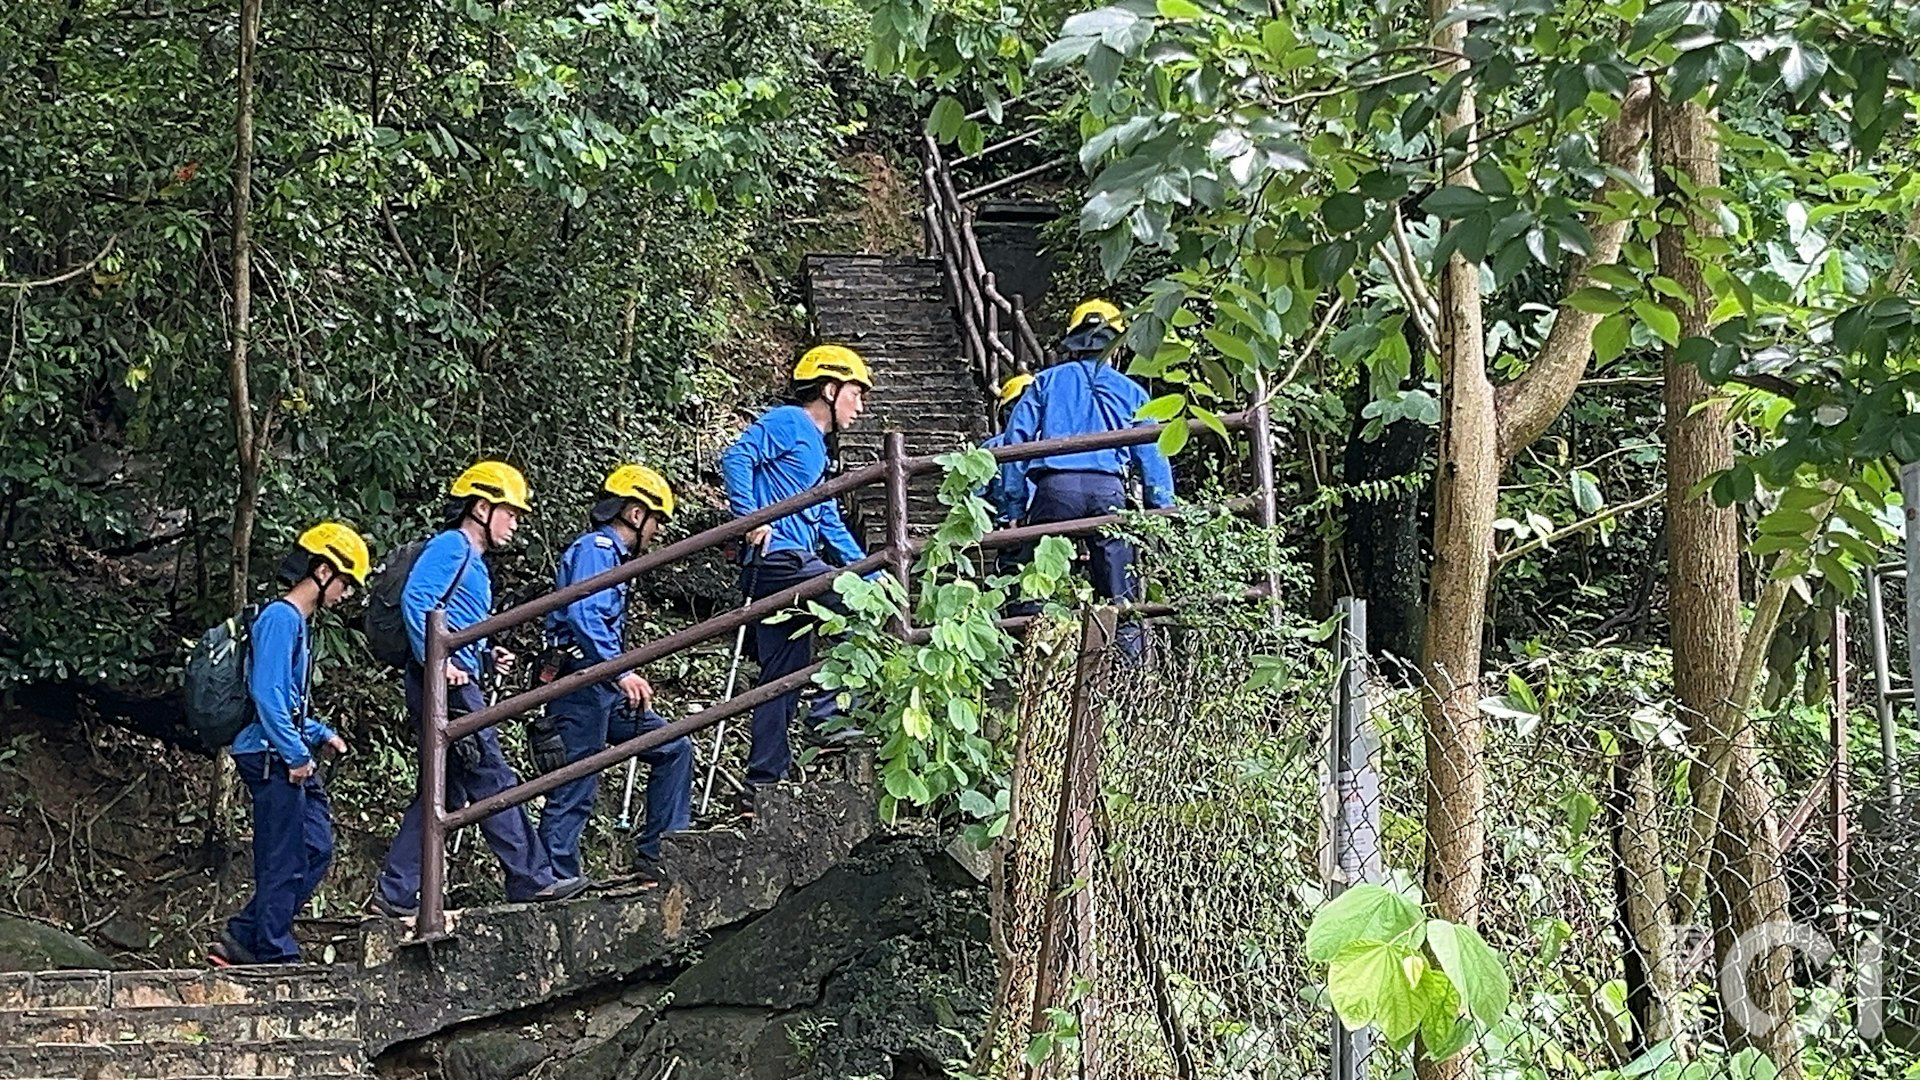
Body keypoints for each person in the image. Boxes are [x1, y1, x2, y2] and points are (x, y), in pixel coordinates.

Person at [370, 461, 587, 917]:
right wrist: (439, 661)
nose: (516, 522)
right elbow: (419, 601)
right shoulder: (452, 545)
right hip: (445, 686)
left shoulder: (471, 558)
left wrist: (485, 656)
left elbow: (455, 615)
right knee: (491, 775)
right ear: (482, 507)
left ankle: (395, 891)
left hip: (451, 678)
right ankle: (532, 879)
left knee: (443, 792)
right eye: (510, 512)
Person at [210, 523, 370, 966]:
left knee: (315, 847)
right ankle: (273, 951)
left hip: (283, 749)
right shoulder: (280, 619)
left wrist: (321, 734)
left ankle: (244, 933)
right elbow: (266, 694)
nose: (346, 594)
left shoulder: (297, 624)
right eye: (345, 583)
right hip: (268, 755)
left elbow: (288, 700)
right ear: (322, 572)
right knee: (284, 855)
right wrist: (297, 754)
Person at [719, 345, 874, 790]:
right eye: (855, 394)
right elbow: (736, 457)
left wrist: (870, 569)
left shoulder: (818, 454)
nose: (860, 407)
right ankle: (827, 719)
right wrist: (753, 517)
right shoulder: (789, 422)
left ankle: (764, 778)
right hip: (778, 559)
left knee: (782, 675)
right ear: (829, 389)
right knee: (858, 605)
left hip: (791, 563)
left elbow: (827, 519)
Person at [533, 465, 693, 882]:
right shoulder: (596, 549)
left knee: (672, 745)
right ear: (636, 514)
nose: (656, 531)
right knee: (575, 783)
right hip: (580, 680)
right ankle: (553, 878)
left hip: (601, 681)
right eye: (655, 520)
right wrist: (623, 673)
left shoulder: (609, 555)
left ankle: (661, 851)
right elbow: (584, 613)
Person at [1003, 300, 1175, 650]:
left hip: (1054, 492)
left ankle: (1040, 673)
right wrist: (1163, 509)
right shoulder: (1131, 392)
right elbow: (1152, 454)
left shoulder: (1044, 383)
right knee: (1119, 594)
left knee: (1041, 587)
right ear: (1115, 344)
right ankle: (1131, 681)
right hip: (1108, 494)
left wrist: (1014, 507)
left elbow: (1015, 441)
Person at [981, 373, 1035, 528]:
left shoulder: (991, 448)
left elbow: (976, 499)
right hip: (1050, 523)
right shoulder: (1056, 440)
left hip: (1008, 528)